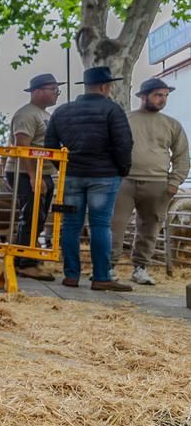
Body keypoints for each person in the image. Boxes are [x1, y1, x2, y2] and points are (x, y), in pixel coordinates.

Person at [44, 66, 134, 291]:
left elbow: (50, 145)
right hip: (104, 177)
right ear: (105, 87)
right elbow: (124, 144)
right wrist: (122, 169)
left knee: (70, 225)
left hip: (71, 177)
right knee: (101, 225)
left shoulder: (62, 111)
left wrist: (63, 167)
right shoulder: (113, 110)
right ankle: (101, 277)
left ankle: (71, 276)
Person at [111, 78, 189, 285]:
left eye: (165, 95)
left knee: (150, 227)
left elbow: (182, 155)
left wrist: (174, 182)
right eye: (158, 95)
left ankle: (141, 268)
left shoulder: (172, 125)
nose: (162, 99)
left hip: (158, 183)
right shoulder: (125, 119)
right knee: (115, 225)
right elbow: (111, 147)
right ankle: (107, 267)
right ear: (143, 96)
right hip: (124, 181)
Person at [7, 73, 63, 280]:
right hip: (25, 172)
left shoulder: (44, 115)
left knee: (38, 217)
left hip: (43, 172)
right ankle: (26, 263)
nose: (57, 94)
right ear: (38, 91)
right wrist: (33, 176)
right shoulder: (27, 114)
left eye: (57, 90)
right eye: (53, 90)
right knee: (30, 215)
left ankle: (22, 257)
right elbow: (23, 146)